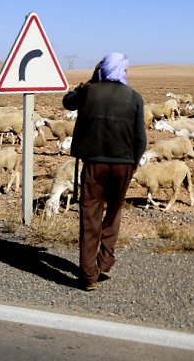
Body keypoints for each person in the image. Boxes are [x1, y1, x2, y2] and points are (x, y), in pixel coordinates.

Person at [62, 52, 146, 291]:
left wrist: (88, 83)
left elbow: (68, 102)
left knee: (90, 214)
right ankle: (105, 261)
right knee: (114, 210)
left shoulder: (89, 91)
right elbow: (140, 137)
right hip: (123, 164)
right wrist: (134, 162)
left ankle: (88, 275)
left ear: (102, 70)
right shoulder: (134, 97)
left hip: (94, 164)